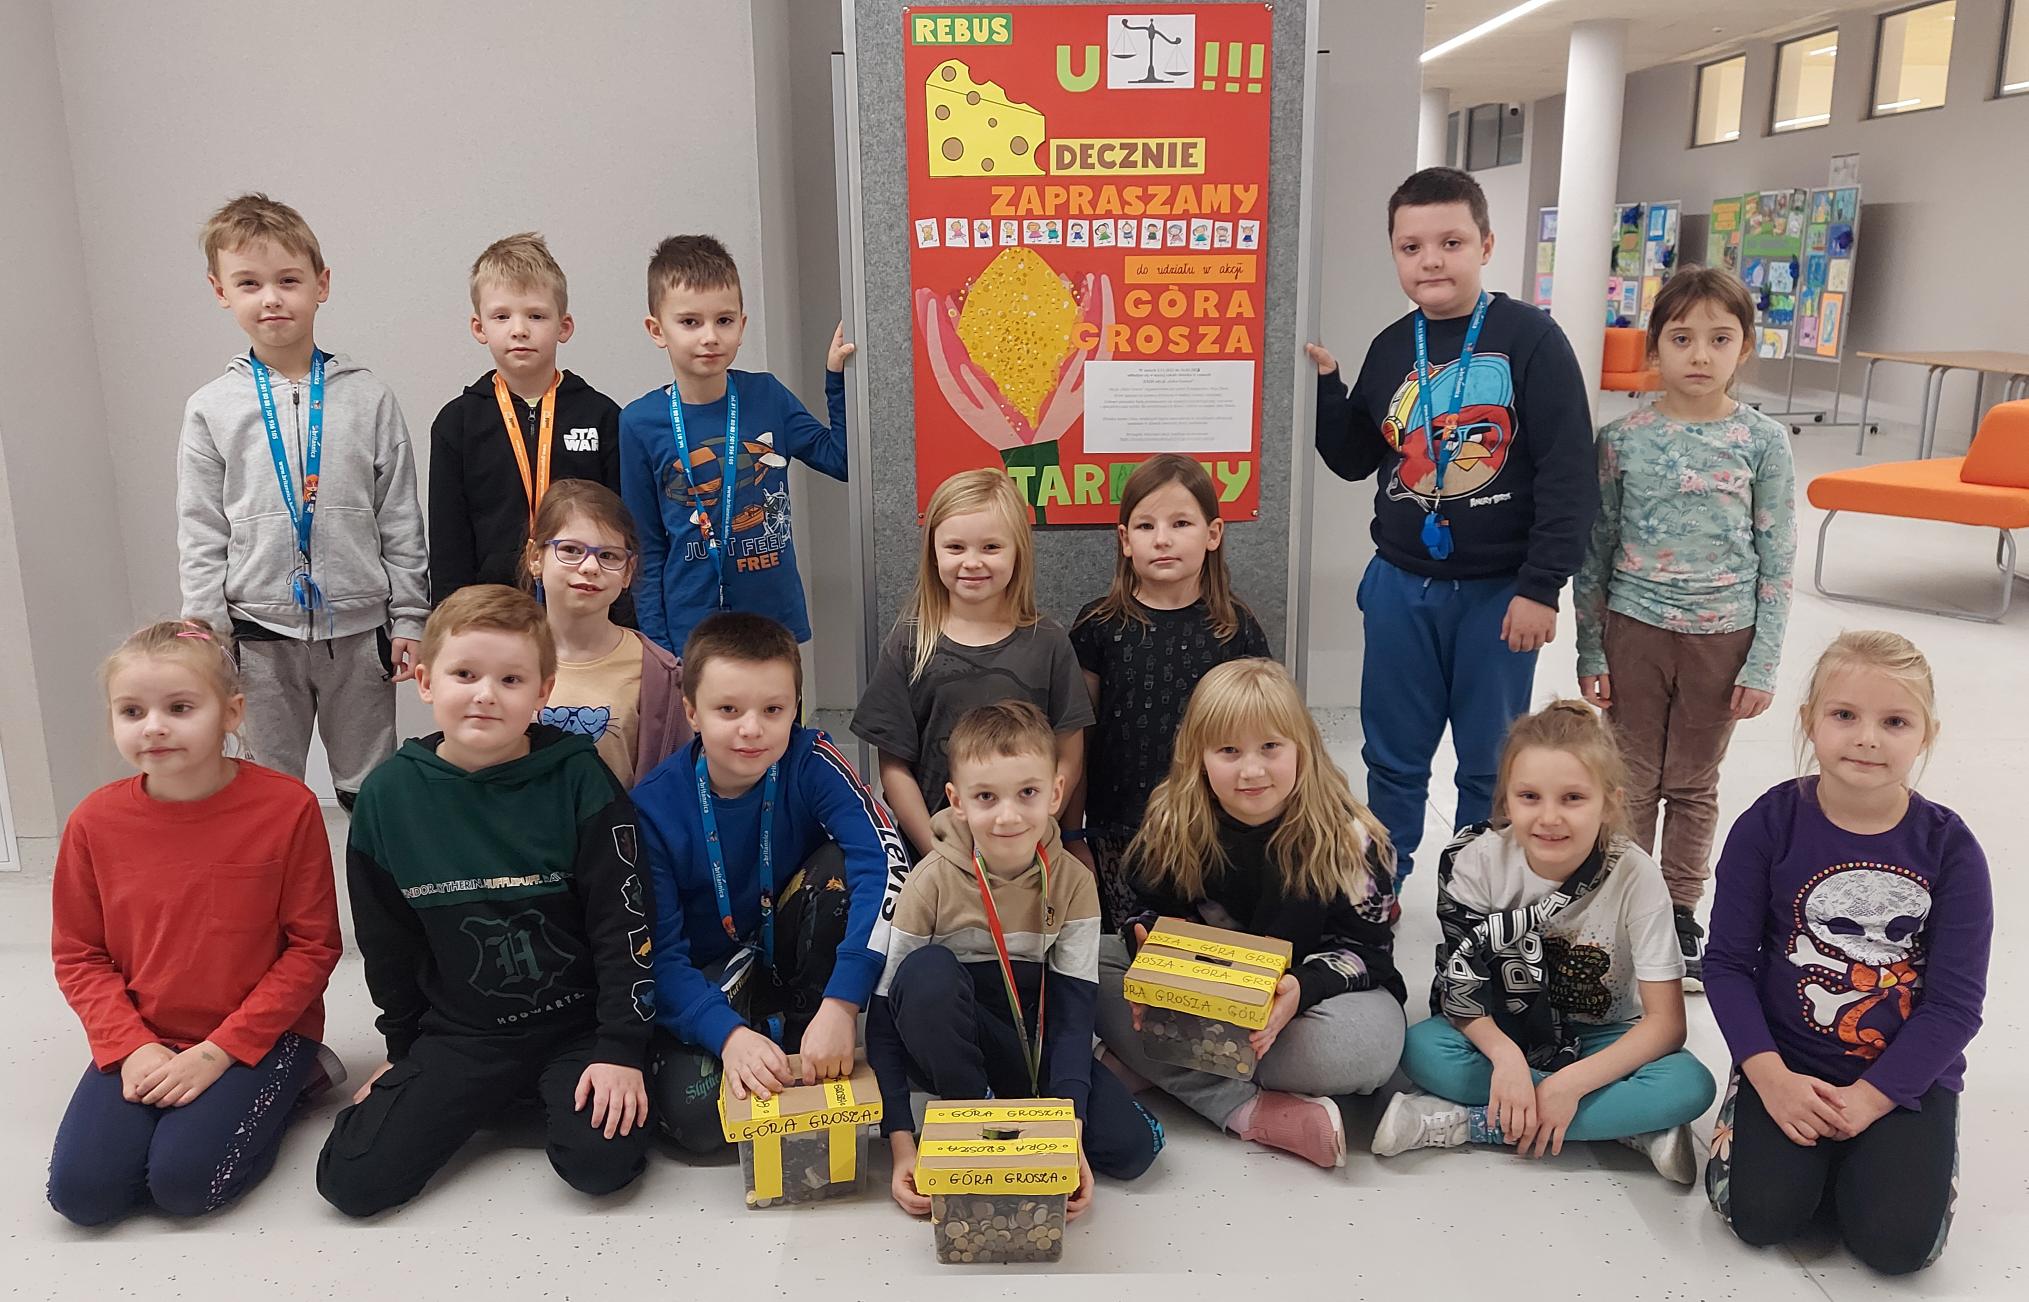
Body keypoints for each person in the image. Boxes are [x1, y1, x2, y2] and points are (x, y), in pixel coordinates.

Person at [316, 586, 654, 1215]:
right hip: (465, 1034)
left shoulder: (580, 778)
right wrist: (403, 1054)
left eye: (511, 679)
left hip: (576, 1027)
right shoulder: (388, 797)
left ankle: (530, 1094)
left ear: (543, 692)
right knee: (351, 1180)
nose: (485, 694)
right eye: (465, 674)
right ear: (425, 681)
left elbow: (625, 924)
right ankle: (501, 1093)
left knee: (601, 1164)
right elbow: (388, 944)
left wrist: (621, 1050)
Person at [1307, 167, 1598, 885]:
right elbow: (1354, 459)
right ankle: (1383, 885)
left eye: (1451, 242)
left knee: (1489, 764)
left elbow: (1568, 474)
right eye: (1411, 247)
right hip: (1400, 585)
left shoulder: (1531, 340)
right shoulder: (1390, 347)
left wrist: (1541, 586)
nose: (1430, 261)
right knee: (1392, 755)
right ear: (1394, 254)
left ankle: (1473, 895)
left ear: (1486, 245)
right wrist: (1326, 391)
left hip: (1500, 594)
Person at [1703, 632, 1990, 1275]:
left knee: (1899, 1248)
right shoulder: (1769, 823)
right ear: (1810, 721)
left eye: (1895, 722)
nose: (1867, 738)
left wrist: (1873, 1099)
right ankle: (1787, 1143)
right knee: (1762, 1218)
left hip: (1903, 1080)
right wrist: (1769, 1078)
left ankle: (1876, 1164)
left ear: (1926, 734)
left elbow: (1954, 1006)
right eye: (1844, 715)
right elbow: (1726, 966)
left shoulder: (1951, 849)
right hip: (1789, 1064)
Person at [48, 619, 342, 1225]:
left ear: (231, 713)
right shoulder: (93, 823)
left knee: (185, 1187)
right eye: (132, 711)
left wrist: (219, 1052)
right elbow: (79, 954)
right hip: (146, 1032)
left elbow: (313, 948)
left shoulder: (287, 808)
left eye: (180, 708)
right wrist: (130, 1046)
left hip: (260, 1034)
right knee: (83, 1197)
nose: (153, 726)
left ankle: (299, 1080)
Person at [1374, 700, 1715, 1183]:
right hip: (1506, 1026)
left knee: (1689, 1084)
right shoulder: (1476, 861)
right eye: (1530, 796)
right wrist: (1506, 1058)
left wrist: (1571, 1083)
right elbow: (1460, 996)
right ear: (1506, 802)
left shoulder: (1635, 874)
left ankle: (1473, 1122)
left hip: (1600, 1034)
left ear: (1609, 803)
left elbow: (1666, 1024)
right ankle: (1627, 1126)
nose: (1549, 817)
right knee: (1421, 1049)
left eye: (1573, 798)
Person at [1092, 659, 1405, 1169]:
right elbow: (1140, 910)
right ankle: (1244, 1108)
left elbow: (1367, 952)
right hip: (1204, 994)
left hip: (1300, 1006)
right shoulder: (1173, 819)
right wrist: (1149, 950)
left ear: (1303, 748)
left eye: (1271, 747)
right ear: (1198, 757)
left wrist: (1301, 987)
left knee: (1373, 1047)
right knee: (1087, 966)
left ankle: (1161, 1064)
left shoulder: (1349, 837)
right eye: (1229, 751)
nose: (1252, 770)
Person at [1575, 267, 1797, 985]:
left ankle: (1676, 909)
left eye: (1719, 339)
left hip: (1722, 636)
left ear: (1744, 349)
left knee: (1694, 783)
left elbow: (1777, 557)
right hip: (1634, 630)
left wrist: (1762, 662)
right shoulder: (1621, 439)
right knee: (1632, 779)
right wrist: (1589, 647)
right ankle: (1624, 900)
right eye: (1681, 338)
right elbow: (1596, 549)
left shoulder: (1762, 441)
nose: (1699, 354)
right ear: (1655, 347)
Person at [177, 193, 429, 810]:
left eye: (288, 280)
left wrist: (410, 618)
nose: (271, 298)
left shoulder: (368, 398)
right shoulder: (211, 408)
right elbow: (201, 528)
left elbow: (400, 517)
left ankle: (373, 876)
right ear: (220, 291)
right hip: (256, 633)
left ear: (322, 284)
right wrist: (207, 632)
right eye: (249, 283)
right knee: (265, 794)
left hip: (360, 628)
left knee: (371, 790)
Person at [871, 702, 1163, 1220]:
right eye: (986, 796)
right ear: (957, 802)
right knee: (927, 973)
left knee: (1133, 1151)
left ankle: (1018, 1111)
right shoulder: (929, 882)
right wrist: (900, 1143)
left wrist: (1069, 1134)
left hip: (1030, 1043)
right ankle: (972, 1118)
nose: (1007, 816)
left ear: (1056, 793)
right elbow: (883, 1020)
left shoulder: (1074, 882)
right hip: (950, 1041)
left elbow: (1073, 1013)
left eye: (1027, 793)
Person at [631, 611, 912, 1151]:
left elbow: (885, 863)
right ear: (691, 711)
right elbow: (657, 955)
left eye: (773, 710)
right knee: (700, 1120)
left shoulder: (812, 759)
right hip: (712, 980)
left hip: (793, 960)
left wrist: (843, 1004)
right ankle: (758, 1042)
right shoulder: (653, 807)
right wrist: (727, 1036)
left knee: (840, 869)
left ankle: (813, 1036)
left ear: (795, 709)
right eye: (728, 709)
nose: (751, 729)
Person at [618, 234, 854, 656]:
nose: (710, 336)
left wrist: (836, 379)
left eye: (724, 320)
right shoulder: (639, 423)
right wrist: (658, 646)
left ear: (742, 326)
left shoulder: (767, 396)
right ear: (657, 330)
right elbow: (647, 547)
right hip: (689, 632)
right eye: (690, 322)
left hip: (772, 622)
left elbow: (843, 461)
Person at [1067, 454, 1272, 927]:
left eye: (1181, 523)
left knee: (1204, 950)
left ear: (1213, 534)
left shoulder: (1236, 629)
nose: (1162, 539)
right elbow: (1078, 737)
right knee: (1131, 945)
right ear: (1125, 540)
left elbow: (1264, 737)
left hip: (1214, 831)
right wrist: (1072, 834)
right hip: (1118, 831)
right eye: (1146, 526)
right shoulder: (1099, 626)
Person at [853, 468, 1093, 856]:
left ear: (1018, 551)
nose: (972, 562)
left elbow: (1069, 755)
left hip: (1031, 855)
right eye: (955, 547)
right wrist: (938, 853)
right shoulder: (909, 645)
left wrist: (1034, 835)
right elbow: (894, 769)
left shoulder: (1048, 642)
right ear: (933, 552)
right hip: (935, 857)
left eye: (991, 547)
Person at [430, 233, 629, 625]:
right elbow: (448, 540)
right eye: (502, 316)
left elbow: (623, 527)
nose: (519, 329)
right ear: (479, 327)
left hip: (586, 610)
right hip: (491, 614)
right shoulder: (457, 423)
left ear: (564, 326)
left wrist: (622, 618)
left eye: (536, 316)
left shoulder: (603, 416)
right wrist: (452, 622)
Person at [522, 479, 688, 788]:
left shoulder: (659, 672)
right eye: (571, 550)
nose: (590, 567)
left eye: (609, 556)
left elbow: (673, 783)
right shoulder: (502, 657)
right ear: (535, 557)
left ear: (628, 571)